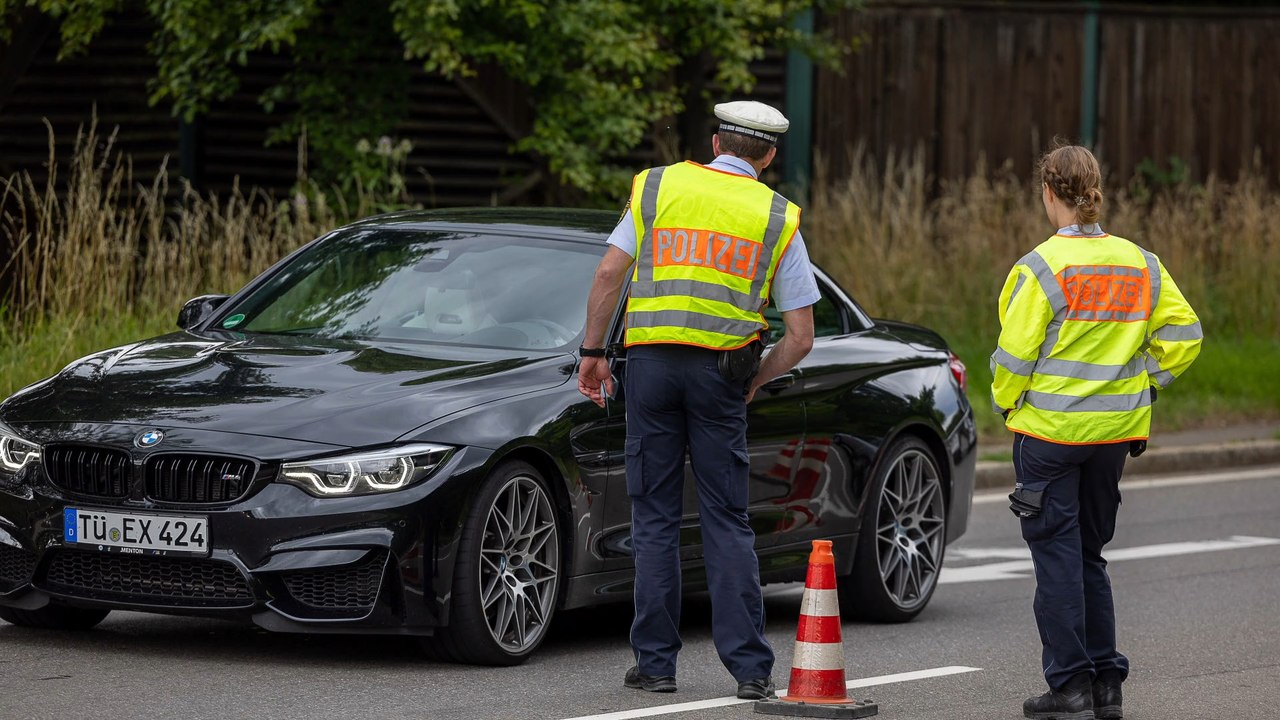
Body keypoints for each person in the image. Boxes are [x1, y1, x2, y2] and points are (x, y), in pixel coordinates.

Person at [577, 100, 819, 700]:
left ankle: (656, 666)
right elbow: (801, 335)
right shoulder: (776, 217)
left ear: (715, 142)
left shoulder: (660, 187)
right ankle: (751, 672)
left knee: (654, 517)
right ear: (768, 156)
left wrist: (592, 352)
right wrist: (756, 380)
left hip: (653, 368)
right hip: (721, 377)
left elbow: (610, 274)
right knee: (726, 519)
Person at [990, 142, 1203, 720]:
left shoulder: (1038, 268)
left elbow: (1013, 358)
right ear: (1094, 192)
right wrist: (1146, 385)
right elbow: (1186, 336)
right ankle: (1107, 683)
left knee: (1056, 560)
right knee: (1090, 556)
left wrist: (1008, 406)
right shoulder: (1141, 263)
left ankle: (1069, 686)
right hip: (1113, 438)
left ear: (1048, 194)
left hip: (1051, 436)